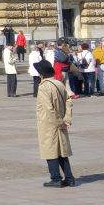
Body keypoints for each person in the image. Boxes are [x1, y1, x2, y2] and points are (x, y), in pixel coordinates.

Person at [34, 59, 75, 187]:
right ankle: (69, 178)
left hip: (49, 123)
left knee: (50, 150)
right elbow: (69, 101)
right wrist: (66, 119)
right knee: (62, 151)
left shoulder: (44, 87)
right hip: (61, 121)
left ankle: (55, 178)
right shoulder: (59, 83)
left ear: (41, 74)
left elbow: (48, 108)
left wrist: (59, 122)